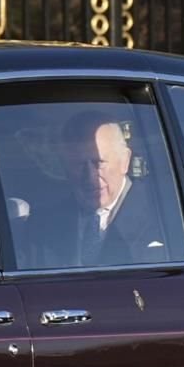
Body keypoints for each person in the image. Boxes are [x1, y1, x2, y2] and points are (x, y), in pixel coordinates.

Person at [26, 111, 168, 269]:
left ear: (125, 160)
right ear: (65, 166)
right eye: (78, 165)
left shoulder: (166, 216)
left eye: (99, 163)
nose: (90, 176)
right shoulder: (43, 225)